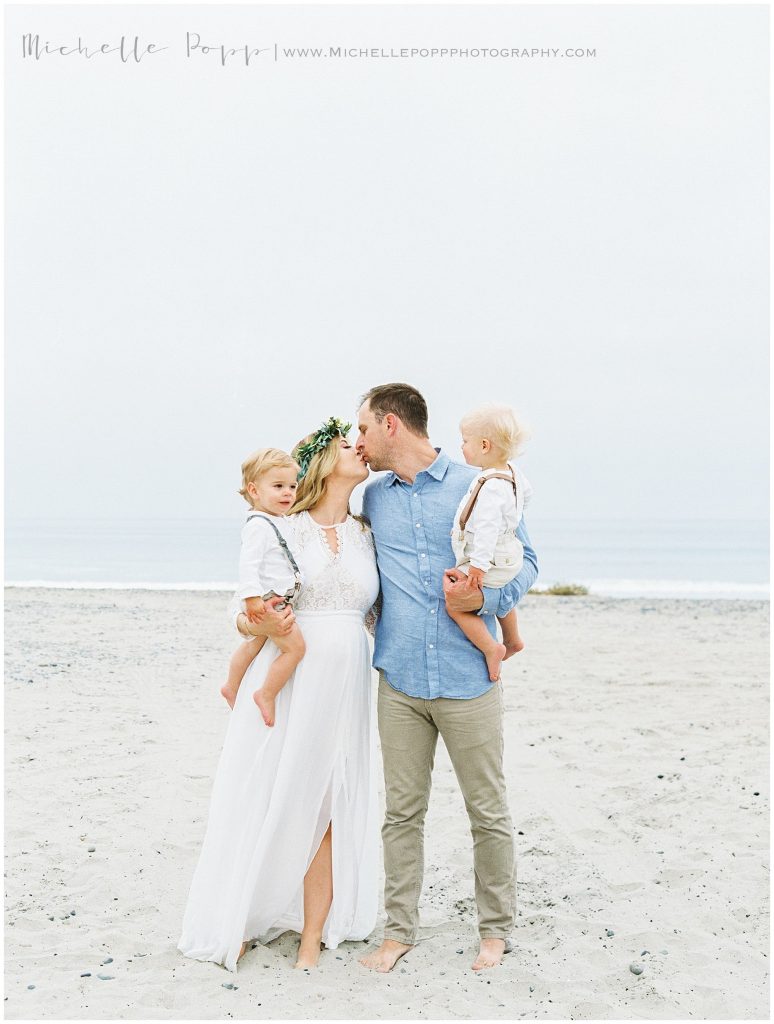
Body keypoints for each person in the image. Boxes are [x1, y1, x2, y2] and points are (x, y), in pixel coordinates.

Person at [179, 418, 380, 972]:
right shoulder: (283, 528)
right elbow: (241, 607)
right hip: (291, 682)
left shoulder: (368, 533)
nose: (359, 450)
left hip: (348, 684)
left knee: (331, 801)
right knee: (269, 793)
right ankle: (242, 916)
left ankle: (313, 932)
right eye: (347, 445)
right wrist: (256, 625)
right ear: (322, 460)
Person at [355, 383, 538, 974]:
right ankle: (398, 931)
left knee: (487, 810)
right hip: (400, 682)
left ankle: (495, 931)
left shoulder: (479, 483)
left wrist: (484, 596)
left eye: (363, 428)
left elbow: (527, 562)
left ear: (390, 424)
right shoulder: (372, 499)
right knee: (402, 814)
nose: (360, 440)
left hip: (468, 681)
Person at [447, 403, 533, 682]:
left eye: (465, 441)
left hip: (490, 556)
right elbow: (526, 495)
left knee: (454, 601)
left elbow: (485, 529)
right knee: (502, 586)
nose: (461, 447)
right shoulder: (511, 473)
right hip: (508, 553)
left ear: (484, 445)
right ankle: (513, 638)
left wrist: (477, 568)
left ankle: (491, 647)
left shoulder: (492, 487)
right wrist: (514, 513)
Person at [220, 447, 306, 727]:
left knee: (254, 642)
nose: (288, 493)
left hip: (272, 596)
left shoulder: (277, 521)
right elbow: (249, 564)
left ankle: (232, 685)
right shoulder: (258, 525)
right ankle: (266, 693)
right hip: (270, 599)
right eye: (278, 486)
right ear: (254, 491)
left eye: (292, 486)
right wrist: (252, 598)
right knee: (295, 650)